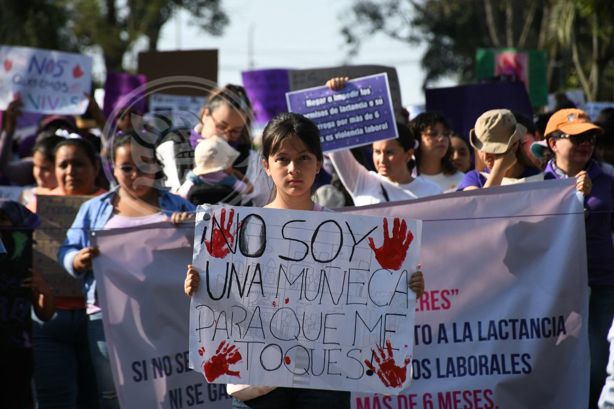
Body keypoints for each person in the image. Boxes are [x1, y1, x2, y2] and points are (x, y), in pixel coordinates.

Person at [183, 112, 425, 409]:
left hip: (324, 381)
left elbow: (364, 300)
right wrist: (200, 287)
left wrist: (404, 286)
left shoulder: (348, 236)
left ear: (319, 164)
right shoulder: (234, 233)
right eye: (282, 159)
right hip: (259, 382)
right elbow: (227, 298)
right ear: (266, 166)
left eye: (304, 158)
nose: (293, 168)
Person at [58, 131, 195, 408]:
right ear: (113, 168)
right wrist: (77, 260)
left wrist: (194, 225)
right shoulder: (93, 209)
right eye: (127, 168)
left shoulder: (177, 205)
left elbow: (212, 239)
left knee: (169, 389)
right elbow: (67, 249)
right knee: (113, 394)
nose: (136, 174)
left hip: (168, 315)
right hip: (109, 318)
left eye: (144, 166)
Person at [541, 108, 613, 408]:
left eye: (590, 137)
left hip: (601, 287)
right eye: (576, 137)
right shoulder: (535, 184)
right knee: (553, 363)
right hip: (551, 291)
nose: (586, 143)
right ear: (553, 143)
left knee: (597, 362)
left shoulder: (610, 178)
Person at [0, 199, 54, 409]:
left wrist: (42, 288)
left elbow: (45, 314)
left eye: (3, 219)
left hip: (17, 354)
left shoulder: (28, 263)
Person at [457, 109, 542, 190]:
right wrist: (499, 170)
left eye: (493, 150)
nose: (486, 157)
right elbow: (480, 204)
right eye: (481, 150)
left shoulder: (541, 178)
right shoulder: (473, 179)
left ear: (514, 145)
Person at [177, 135, 253, 204]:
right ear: (225, 165)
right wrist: (240, 175)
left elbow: (180, 195)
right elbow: (249, 190)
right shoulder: (229, 181)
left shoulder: (194, 179)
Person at [410, 112, 465, 191]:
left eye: (446, 134)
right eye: (433, 134)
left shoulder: (462, 180)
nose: (442, 138)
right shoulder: (407, 182)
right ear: (416, 140)